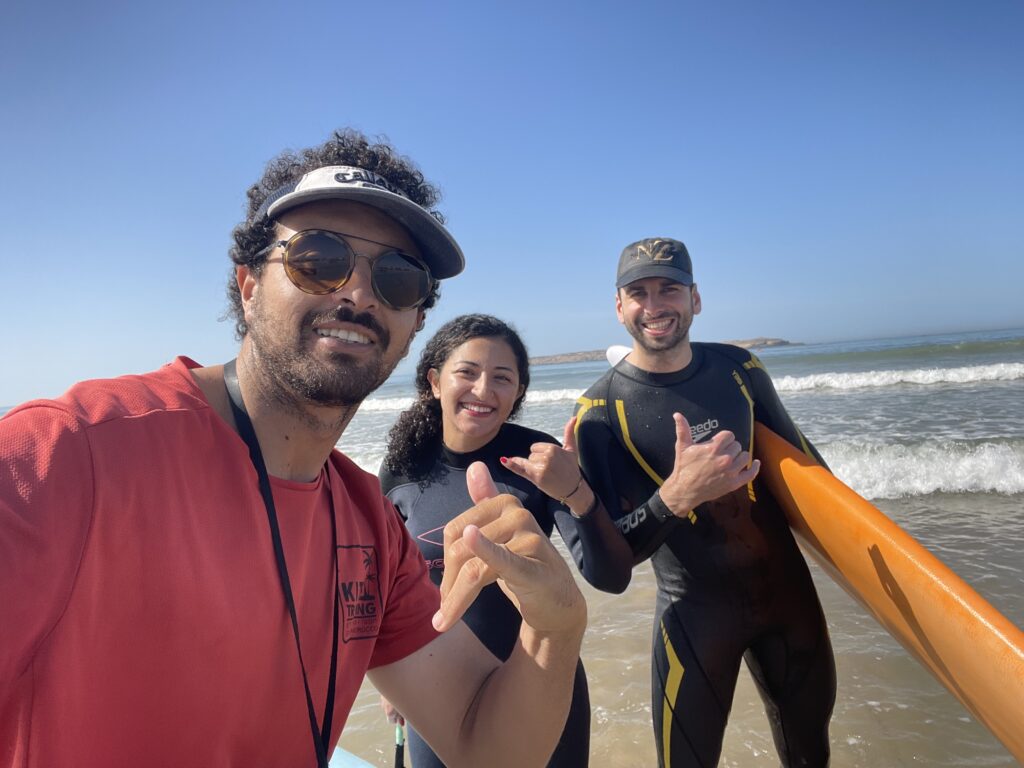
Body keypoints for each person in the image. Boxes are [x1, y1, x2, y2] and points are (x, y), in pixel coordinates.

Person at [0, 130, 587, 768]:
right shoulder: (60, 458)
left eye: (396, 276)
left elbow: (487, 747)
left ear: (415, 321)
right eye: (319, 259)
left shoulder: (372, 527)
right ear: (249, 284)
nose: (360, 294)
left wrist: (556, 629)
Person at [572, 238, 837, 767]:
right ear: (618, 306)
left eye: (669, 288)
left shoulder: (741, 368)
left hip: (791, 602)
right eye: (638, 292)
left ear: (695, 298)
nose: (655, 306)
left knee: (811, 753)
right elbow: (612, 564)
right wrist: (675, 497)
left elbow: (810, 471)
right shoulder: (600, 412)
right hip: (696, 616)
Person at [378, 313, 632, 768]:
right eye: (467, 372)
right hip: (437, 681)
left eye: (502, 378)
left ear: (517, 394)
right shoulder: (402, 468)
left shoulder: (538, 460)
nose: (482, 390)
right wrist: (395, 678)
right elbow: (388, 584)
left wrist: (576, 492)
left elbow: (611, 577)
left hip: (540, 676)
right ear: (435, 381)